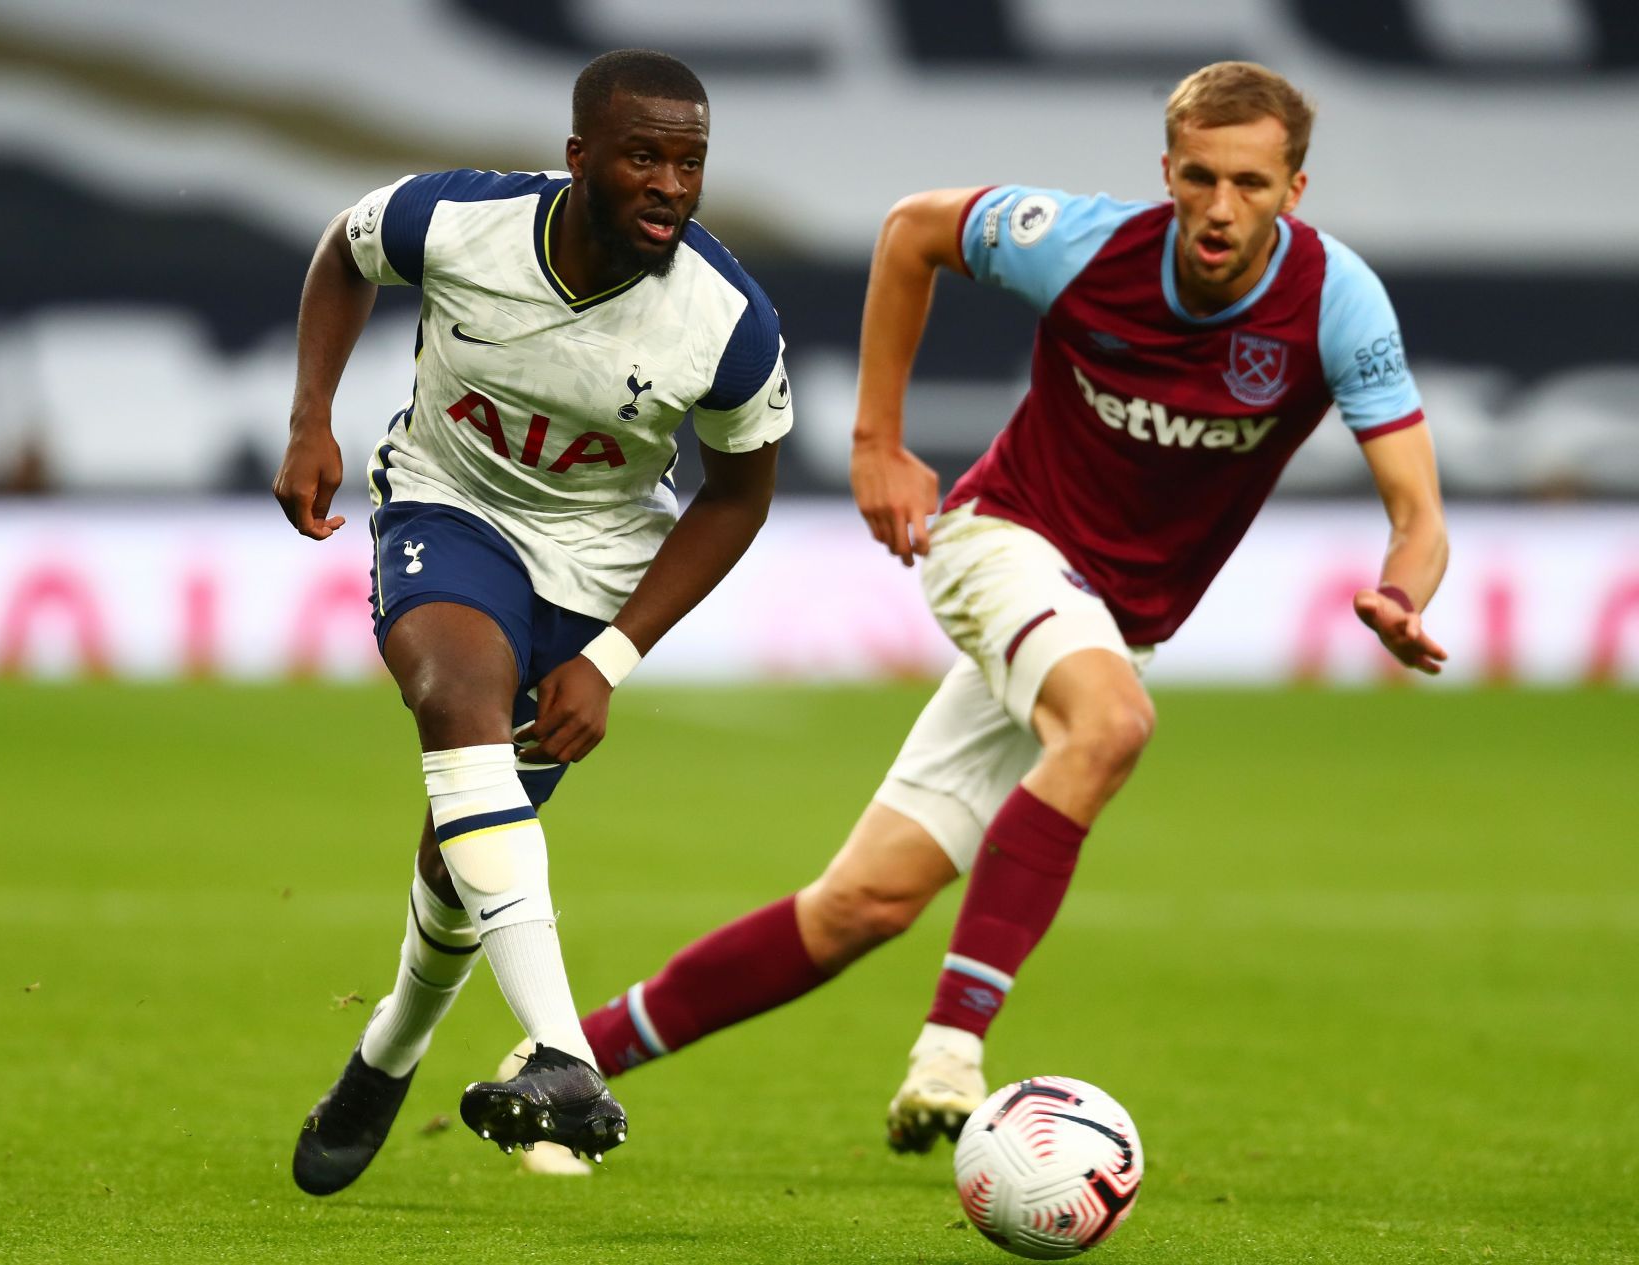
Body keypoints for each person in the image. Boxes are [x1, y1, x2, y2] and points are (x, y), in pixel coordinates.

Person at [514, 59, 1447, 1174]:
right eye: (1198, 177)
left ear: (1295, 189)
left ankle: (562, 1064)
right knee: (1108, 726)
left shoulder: (1339, 302)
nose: (1219, 206)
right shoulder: (1084, 241)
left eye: (1250, 183)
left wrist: (1401, 594)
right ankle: (953, 1049)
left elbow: (1419, 514)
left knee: (860, 903)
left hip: (1112, 618)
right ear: (1167, 172)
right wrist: (876, 441)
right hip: (1002, 541)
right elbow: (913, 230)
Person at [273, 48, 792, 1195]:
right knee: (454, 701)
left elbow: (741, 494)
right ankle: (566, 1052)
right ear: (578, 159)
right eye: (644, 155)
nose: (670, 183)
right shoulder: (458, 219)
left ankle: (387, 1052)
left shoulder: (728, 324)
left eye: (690, 162)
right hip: (449, 506)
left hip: (597, 566)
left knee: (467, 848)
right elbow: (344, 252)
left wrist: (611, 653)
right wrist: (312, 414)